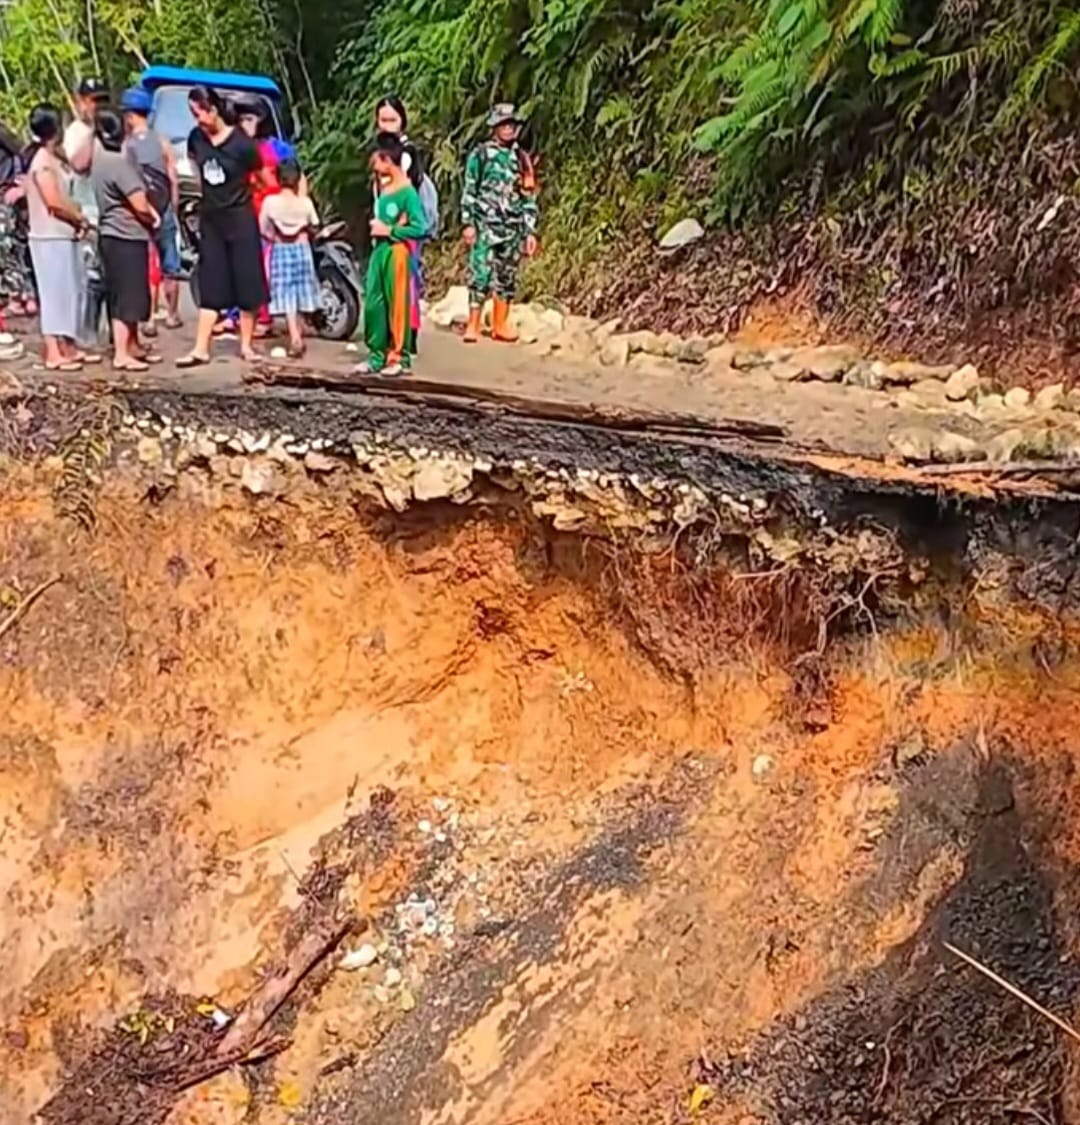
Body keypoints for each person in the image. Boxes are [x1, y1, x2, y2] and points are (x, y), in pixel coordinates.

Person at [177, 86, 268, 368]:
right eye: (193, 114)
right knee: (211, 282)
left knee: (247, 281)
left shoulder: (242, 143)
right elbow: (194, 165)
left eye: (200, 113)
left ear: (214, 110)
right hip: (212, 219)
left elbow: (261, 177)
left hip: (240, 218)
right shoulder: (196, 139)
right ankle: (200, 348)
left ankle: (246, 345)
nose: (198, 120)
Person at [25, 103, 97, 371]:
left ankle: (69, 345)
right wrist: (79, 218)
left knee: (71, 291)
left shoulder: (55, 158)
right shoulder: (42, 162)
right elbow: (53, 202)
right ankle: (53, 351)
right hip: (48, 235)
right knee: (53, 293)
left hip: (64, 234)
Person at [460, 103, 539, 343]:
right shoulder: (481, 154)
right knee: (480, 274)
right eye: (503, 124)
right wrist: (468, 222)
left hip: (512, 227)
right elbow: (470, 189)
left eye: (511, 124)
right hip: (485, 225)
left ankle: (500, 325)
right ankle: (473, 324)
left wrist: (529, 231)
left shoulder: (521, 158)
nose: (508, 129)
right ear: (494, 127)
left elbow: (528, 196)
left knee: (507, 276)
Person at [90, 107, 159, 371]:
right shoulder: (118, 164)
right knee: (125, 297)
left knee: (128, 294)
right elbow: (139, 203)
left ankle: (132, 345)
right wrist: (151, 219)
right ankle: (121, 352)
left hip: (114, 234)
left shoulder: (100, 161)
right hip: (124, 235)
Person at [357, 133, 426, 375]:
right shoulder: (383, 188)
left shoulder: (408, 192)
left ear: (387, 159)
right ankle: (376, 354)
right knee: (374, 303)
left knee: (397, 304)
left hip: (397, 251)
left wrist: (391, 230)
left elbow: (420, 227)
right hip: (379, 250)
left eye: (376, 159)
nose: (373, 165)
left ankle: (399, 357)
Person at [119, 86, 182, 331]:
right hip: (165, 208)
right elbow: (173, 178)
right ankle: (172, 315)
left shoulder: (128, 146)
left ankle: (150, 318)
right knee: (170, 265)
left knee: (148, 264)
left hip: (142, 211)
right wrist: (172, 207)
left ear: (130, 116)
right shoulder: (162, 142)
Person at [260, 158, 320, 358]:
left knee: (286, 295)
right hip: (302, 249)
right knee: (301, 292)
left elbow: (263, 229)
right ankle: (297, 335)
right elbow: (314, 224)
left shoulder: (271, 203)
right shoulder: (305, 203)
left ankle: (295, 336)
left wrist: (275, 236)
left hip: (280, 248)